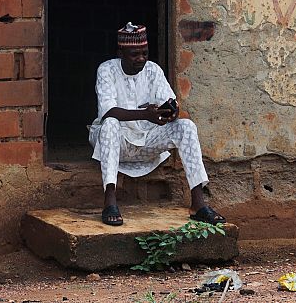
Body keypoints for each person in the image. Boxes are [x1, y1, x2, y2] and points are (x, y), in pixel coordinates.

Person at [88, 22, 225, 226]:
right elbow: (108, 111)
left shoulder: (153, 70)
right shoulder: (107, 69)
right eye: (135, 54)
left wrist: (170, 111)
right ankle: (110, 202)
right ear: (121, 53)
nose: (141, 59)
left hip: (146, 143)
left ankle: (198, 204)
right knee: (109, 123)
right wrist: (145, 114)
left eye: (145, 53)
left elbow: (168, 100)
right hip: (117, 144)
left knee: (186, 127)